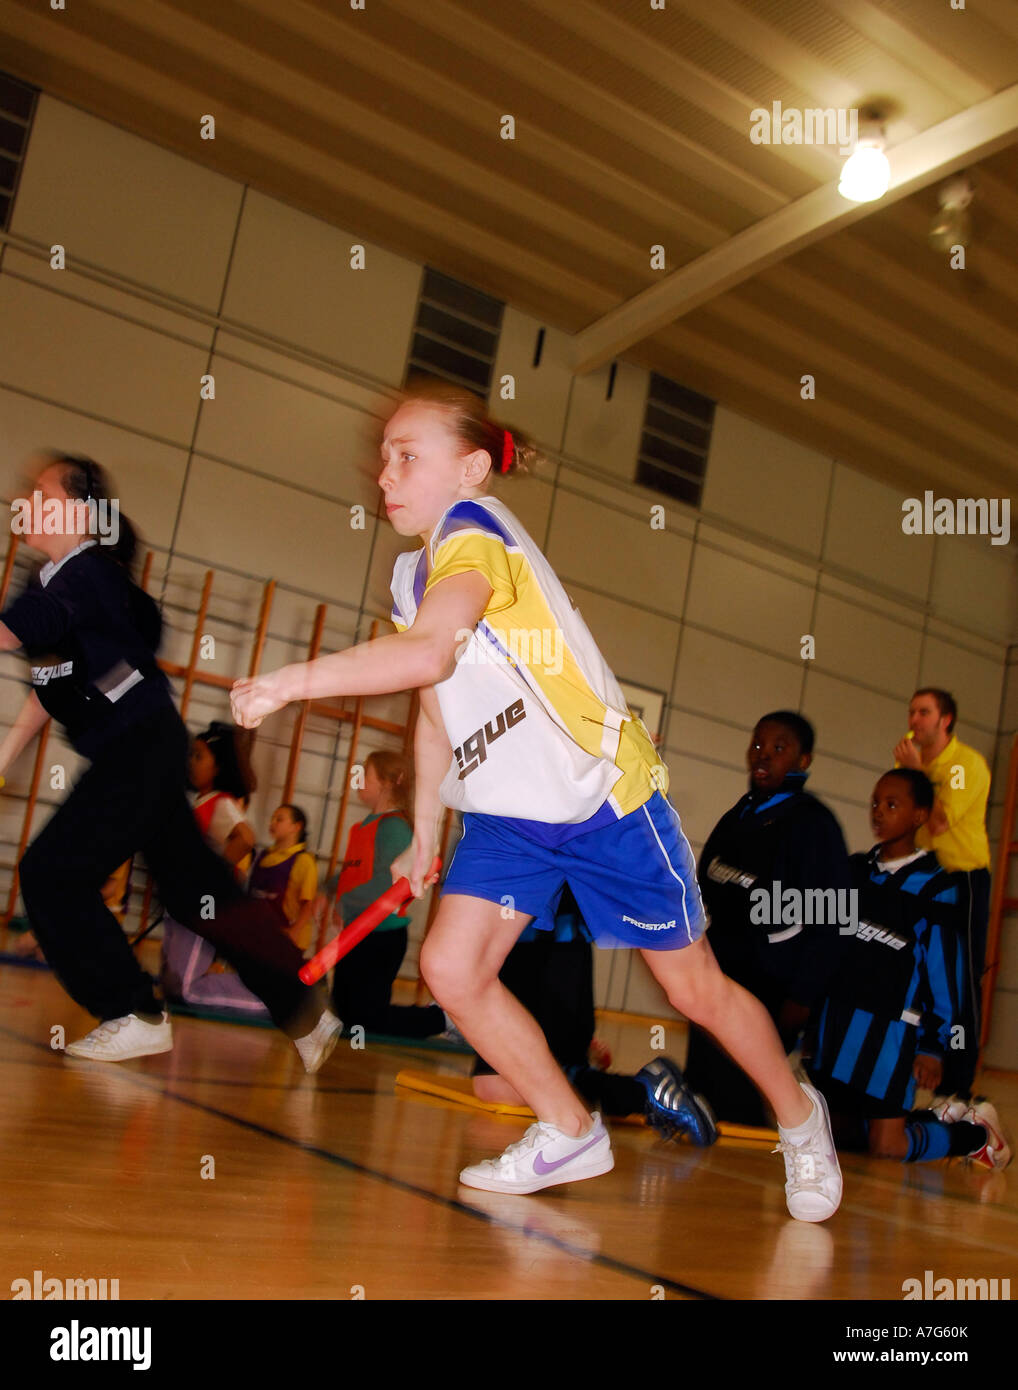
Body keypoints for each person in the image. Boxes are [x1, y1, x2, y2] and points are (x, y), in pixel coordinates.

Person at [231, 379, 842, 1220]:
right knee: (449, 967)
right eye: (383, 460)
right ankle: (567, 1127)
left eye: (408, 457)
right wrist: (426, 832)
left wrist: (292, 680)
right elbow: (436, 707)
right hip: (510, 819)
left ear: (472, 469)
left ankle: (803, 1120)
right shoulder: (414, 576)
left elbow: (429, 654)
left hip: (602, 800)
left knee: (692, 990)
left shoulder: (476, 535)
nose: (385, 475)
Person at [0, 452, 338, 1068]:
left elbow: (14, 633)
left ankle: (133, 1010)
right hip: (142, 751)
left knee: (53, 873)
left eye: (40, 490)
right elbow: (44, 690)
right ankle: (305, 1010)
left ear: (79, 511)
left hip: (140, 748)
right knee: (195, 890)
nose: (25, 497)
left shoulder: (89, 575)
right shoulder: (44, 581)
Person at [807, 769, 1009, 1169]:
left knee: (887, 1148)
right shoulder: (854, 871)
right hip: (838, 1026)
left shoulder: (937, 888)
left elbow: (946, 975)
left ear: (919, 816)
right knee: (842, 1139)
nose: (879, 812)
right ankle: (935, 1120)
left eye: (892, 804)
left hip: (890, 1036)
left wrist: (934, 1047)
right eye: (876, 804)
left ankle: (975, 1137)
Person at [684, 712, 851, 1126]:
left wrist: (803, 996)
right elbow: (706, 887)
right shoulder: (737, 815)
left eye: (780, 748)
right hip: (718, 978)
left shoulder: (814, 823)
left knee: (745, 1106)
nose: (764, 755)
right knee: (707, 1098)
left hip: (772, 990)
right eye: (758, 745)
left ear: (803, 761)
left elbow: (833, 917)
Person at [472, 883, 717, 1145]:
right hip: (524, 938)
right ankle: (642, 1090)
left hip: (546, 937)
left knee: (499, 1084)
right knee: (497, 1083)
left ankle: (645, 1091)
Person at [893, 688, 991, 1096]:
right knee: (918, 970)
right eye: (912, 711)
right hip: (924, 878)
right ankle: (908, 1067)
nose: (914, 720)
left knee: (962, 978)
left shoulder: (963, 765)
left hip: (962, 879)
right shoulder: (909, 761)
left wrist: (918, 774)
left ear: (944, 720)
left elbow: (936, 824)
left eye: (924, 712)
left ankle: (959, 1083)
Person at [324, 750, 451, 1040]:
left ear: (386, 783)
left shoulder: (394, 827)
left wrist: (344, 900)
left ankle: (439, 1019)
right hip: (355, 932)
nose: (357, 780)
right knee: (346, 1012)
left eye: (364, 775)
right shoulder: (364, 826)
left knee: (367, 1018)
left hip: (381, 937)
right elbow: (355, 871)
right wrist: (328, 890)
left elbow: (386, 883)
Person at [160, 723, 268, 1018]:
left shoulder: (222, 803)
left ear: (218, 766)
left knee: (187, 989)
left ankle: (270, 998)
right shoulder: (199, 802)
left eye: (199, 757)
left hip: (204, 904)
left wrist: (211, 874)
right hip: (183, 902)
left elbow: (245, 838)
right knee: (170, 983)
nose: (191, 763)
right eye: (191, 755)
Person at [249, 805, 318, 954]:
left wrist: (294, 932)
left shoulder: (304, 861)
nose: (272, 823)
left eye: (279, 819)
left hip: (286, 938)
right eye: (272, 819)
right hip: (260, 934)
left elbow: (308, 904)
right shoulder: (263, 855)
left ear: (296, 827)